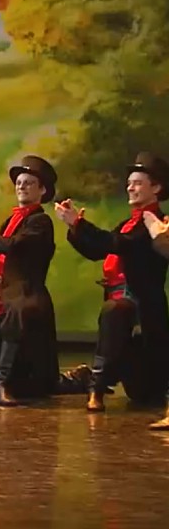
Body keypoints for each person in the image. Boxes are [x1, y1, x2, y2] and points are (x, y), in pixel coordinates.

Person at [55, 151, 169, 414]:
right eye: (129, 183)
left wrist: (79, 223)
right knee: (114, 312)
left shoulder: (156, 224)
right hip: (120, 302)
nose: (130, 187)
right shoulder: (128, 223)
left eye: (137, 183)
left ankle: (97, 385)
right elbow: (98, 250)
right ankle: (97, 386)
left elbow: (118, 243)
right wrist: (74, 228)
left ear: (156, 188)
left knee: (115, 311)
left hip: (142, 306)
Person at [0, 155, 60, 406]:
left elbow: (15, 245)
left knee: (31, 375)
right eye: (19, 182)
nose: (21, 186)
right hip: (3, 294)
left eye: (28, 182)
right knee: (29, 384)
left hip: (25, 294)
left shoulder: (40, 221)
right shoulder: (12, 220)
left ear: (42, 190)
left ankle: (1, 383)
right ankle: (9, 382)